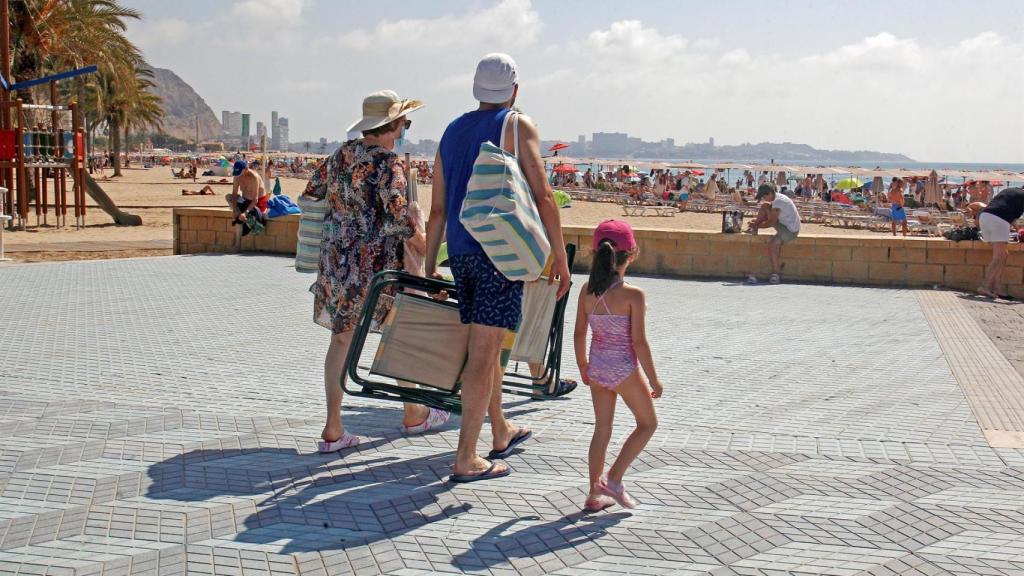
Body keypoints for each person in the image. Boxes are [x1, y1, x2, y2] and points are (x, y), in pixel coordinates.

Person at [425, 53, 571, 483]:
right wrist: (559, 257)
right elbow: (543, 195)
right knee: (485, 354)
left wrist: (431, 264)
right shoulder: (516, 124)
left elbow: (437, 209)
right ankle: (466, 457)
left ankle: (501, 429)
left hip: (461, 252)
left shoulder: (452, 131)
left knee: (486, 349)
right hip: (499, 253)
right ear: (515, 89)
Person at [301, 90, 448, 454]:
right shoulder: (388, 162)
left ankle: (333, 427)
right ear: (392, 125)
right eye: (404, 122)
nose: (405, 128)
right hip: (375, 268)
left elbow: (312, 191)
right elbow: (398, 217)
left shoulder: (341, 155)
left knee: (340, 340)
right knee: (397, 333)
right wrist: (427, 246)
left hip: (336, 264)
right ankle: (414, 412)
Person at [574, 220, 661, 511]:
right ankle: (613, 479)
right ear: (632, 254)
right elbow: (639, 343)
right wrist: (654, 380)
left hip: (597, 367)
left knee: (602, 429)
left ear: (595, 252)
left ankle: (593, 494)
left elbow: (579, 333)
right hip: (623, 368)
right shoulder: (633, 295)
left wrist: (583, 365)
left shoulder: (586, 290)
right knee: (648, 423)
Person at [745, 184, 800, 284]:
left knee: (773, 245)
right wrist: (757, 223)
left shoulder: (779, 201)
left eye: (764, 196)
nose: (763, 198)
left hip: (790, 230)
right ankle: (753, 229)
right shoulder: (777, 198)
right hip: (784, 224)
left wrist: (757, 225)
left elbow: (771, 223)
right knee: (764, 206)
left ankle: (776, 274)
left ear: (770, 193)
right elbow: (770, 216)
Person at [977, 187, 1024, 299]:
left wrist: (1018, 230)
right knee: (999, 255)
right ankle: (984, 286)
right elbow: (1012, 219)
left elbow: (1007, 212)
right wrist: (1019, 230)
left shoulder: (1010, 191)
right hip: (998, 220)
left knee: (1003, 254)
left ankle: (997, 287)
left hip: (984, 217)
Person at [226, 157, 268, 249]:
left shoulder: (254, 178)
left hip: (257, 202)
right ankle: (237, 244)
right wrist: (235, 209)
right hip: (245, 200)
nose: (239, 176)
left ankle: (237, 245)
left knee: (241, 217)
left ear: (246, 169)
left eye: (240, 173)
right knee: (228, 197)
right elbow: (234, 194)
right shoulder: (237, 176)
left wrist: (245, 213)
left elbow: (255, 199)